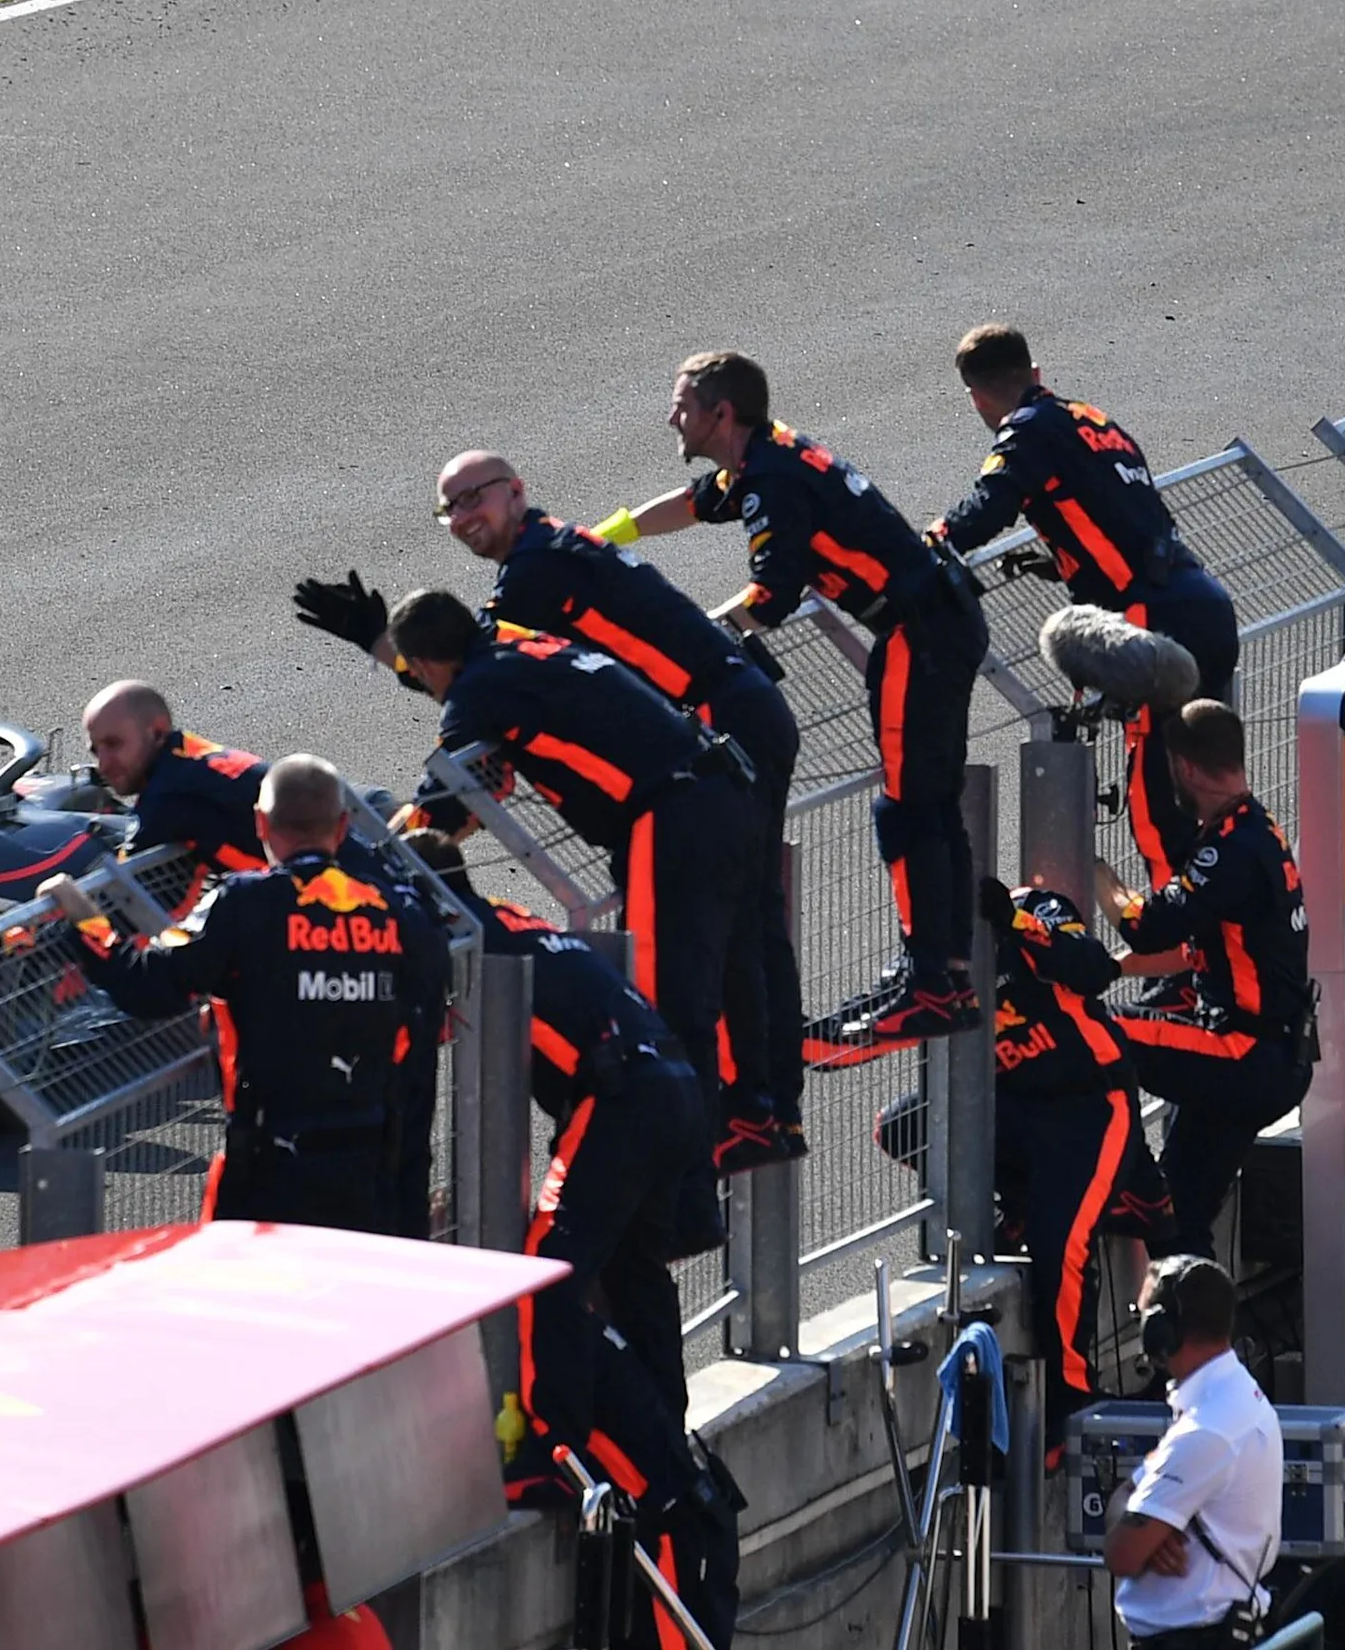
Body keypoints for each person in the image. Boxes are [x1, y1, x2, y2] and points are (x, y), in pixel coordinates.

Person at [293, 450, 809, 1172]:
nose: (464, 515)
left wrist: (372, 857)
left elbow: (455, 785)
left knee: (675, 985)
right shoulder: (514, 627)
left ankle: (699, 1147)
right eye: (452, 507)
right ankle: (761, 1113)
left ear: (515, 491)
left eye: (475, 497)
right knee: (739, 955)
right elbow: (475, 687)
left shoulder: (511, 619)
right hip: (719, 766)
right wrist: (387, 645)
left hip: (681, 798)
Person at [611, 350, 994, 1052]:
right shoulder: (765, 456)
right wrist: (608, 539)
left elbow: (770, 597)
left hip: (921, 632)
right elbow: (700, 502)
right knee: (928, 802)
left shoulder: (772, 481)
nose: (673, 417)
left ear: (720, 413)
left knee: (909, 808)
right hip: (930, 622)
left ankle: (931, 981)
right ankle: (941, 972)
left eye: (683, 406)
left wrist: (690, 650)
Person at [382, 594, 752, 1163]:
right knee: (721, 973)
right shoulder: (517, 643)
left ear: (427, 664)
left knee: (665, 996)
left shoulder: (473, 693)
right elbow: (490, 784)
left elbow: (448, 809)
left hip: (670, 815)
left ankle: (685, 1160)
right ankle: (744, 1119)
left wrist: (382, 856)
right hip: (718, 792)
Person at [401, 831, 708, 1498]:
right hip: (668, 1082)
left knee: (549, 1263)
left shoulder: (465, 937)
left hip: (622, 1092)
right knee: (633, 1269)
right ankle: (662, 1436)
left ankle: (552, 1449)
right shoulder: (509, 917)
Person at [51, 756, 449, 1234]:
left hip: (270, 1169)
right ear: (344, 825)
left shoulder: (243, 902)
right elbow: (425, 1040)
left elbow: (148, 985)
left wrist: (85, 921)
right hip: (378, 1169)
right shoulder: (402, 913)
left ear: (260, 821)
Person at [930, 323, 1240, 888]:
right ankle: (1230, 935)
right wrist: (1059, 562)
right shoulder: (1095, 422)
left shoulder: (1025, 432)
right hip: (1205, 605)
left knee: (1156, 807)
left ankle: (1190, 959)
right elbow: (1124, 524)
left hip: (1153, 626)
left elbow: (986, 508)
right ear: (1037, 373)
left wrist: (934, 540)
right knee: (1208, 791)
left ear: (975, 396)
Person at [1110, 700, 1314, 1262]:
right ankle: (1201, 1341)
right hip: (1273, 1059)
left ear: (1190, 771)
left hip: (1243, 1051)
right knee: (1179, 1222)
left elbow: (1145, 926)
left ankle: (1119, 1177)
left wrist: (1098, 873)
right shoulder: (1256, 828)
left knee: (1096, 1031)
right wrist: (1110, 968)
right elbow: (1193, 951)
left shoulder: (1229, 850)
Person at [982, 877, 1175, 1423]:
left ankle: (1069, 1399)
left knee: (1060, 1244)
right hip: (1015, 1115)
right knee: (898, 1124)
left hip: (1090, 1106)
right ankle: (1030, 1203)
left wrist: (1013, 924)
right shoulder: (931, 943)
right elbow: (884, 1022)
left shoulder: (1031, 908)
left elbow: (1093, 967)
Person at [1103, 1256, 1283, 1650]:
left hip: (1193, 1640)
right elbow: (1125, 1495)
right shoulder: (1230, 1397)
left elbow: (1121, 1554)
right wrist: (1145, 1518)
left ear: (1162, 1330)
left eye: (1142, 1317)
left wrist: (1140, 1522)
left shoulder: (1207, 1431)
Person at [80, 679, 269, 879]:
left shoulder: (166, 798)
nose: (103, 765)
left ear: (158, 732)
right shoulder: (190, 755)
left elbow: (124, 897)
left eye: (114, 744)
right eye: (95, 750)